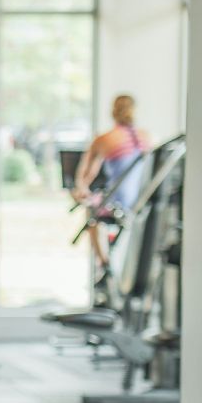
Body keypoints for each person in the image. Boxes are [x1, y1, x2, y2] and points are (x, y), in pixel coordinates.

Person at [71, 94, 154, 274]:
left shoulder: (104, 139)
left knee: (91, 213)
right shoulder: (146, 136)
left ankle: (104, 263)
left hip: (120, 202)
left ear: (113, 112)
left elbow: (85, 176)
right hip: (144, 201)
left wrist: (81, 189)